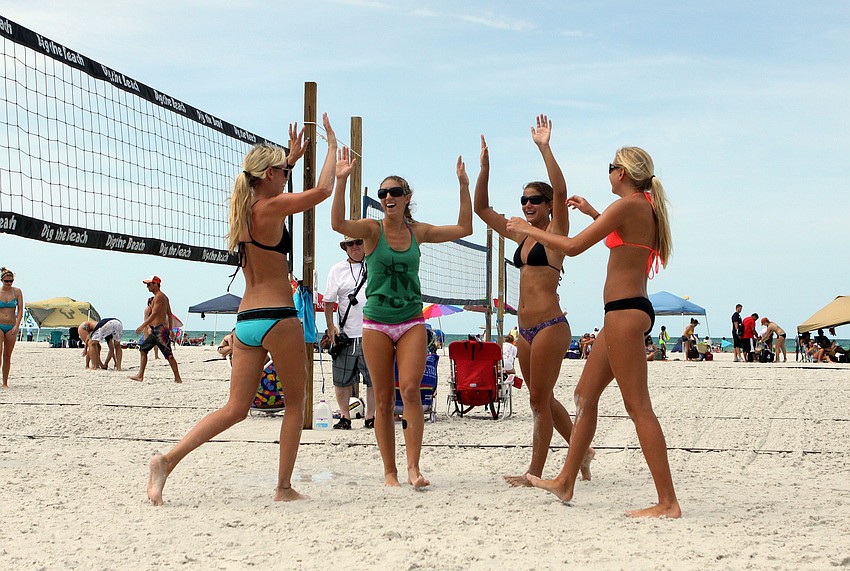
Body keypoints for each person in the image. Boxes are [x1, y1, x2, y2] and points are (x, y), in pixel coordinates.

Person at [147, 115, 337, 505]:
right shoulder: (272, 206)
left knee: (235, 409)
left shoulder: (245, 207)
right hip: (278, 316)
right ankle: (283, 488)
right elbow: (322, 191)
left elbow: (277, 187)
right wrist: (333, 147)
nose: (286, 176)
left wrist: (292, 158)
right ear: (268, 174)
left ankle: (166, 460)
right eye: (282, 172)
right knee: (296, 404)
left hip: (246, 321)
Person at [508, 145, 680, 518]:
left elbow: (572, 246)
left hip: (624, 313)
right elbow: (620, 237)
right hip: (622, 312)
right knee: (584, 396)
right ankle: (566, 480)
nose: (609, 172)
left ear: (623, 172)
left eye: (611, 166)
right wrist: (592, 213)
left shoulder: (631, 204)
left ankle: (668, 502)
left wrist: (525, 229)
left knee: (639, 409)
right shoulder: (640, 207)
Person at [331, 144, 471, 488]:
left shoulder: (417, 232)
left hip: (410, 320)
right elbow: (337, 223)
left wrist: (464, 185)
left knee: (409, 390)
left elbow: (464, 228)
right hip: (376, 321)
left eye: (395, 191)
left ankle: (413, 468)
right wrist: (340, 181)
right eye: (383, 193)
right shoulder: (371, 229)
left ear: (407, 197)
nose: (388, 196)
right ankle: (390, 472)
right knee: (381, 397)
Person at [473, 115, 593, 487]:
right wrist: (484, 170)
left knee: (540, 401)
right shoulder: (521, 237)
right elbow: (481, 209)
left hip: (551, 326)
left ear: (548, 206)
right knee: (539, 399)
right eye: (524, 200)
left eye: (535, 200)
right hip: (523, 329)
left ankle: (535, 473)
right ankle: (580, 450)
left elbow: (560, 188)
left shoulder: (556, 232)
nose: (527, 205)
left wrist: (545, 147)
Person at [324, 235, 374, 430]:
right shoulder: (337, 270)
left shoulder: (374, 266)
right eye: (350, 243)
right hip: (346, 334)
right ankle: (345, 416)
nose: (355, 247)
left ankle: (371, 416)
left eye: (359, 242)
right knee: (341, 378)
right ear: (345, 247)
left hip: (371, 332)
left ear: (365, 243)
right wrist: (330, 327)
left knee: (373, 379)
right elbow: (329, 302)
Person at [130, 276, 182, 383]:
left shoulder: (160, 297)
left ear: (156, 284)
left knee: (169, 355)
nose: (147, 287)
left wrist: (142, 326)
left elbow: (154, 315)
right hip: (156, 330)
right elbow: (169, 314)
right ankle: (140, 375)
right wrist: (171, 329)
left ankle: (178, 378)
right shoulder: (161, 297)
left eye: (149, 284)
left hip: (160, 331)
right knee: (143, 349)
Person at [0, 267, 23, 387]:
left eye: (11, 281)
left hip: (11, 326)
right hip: (0, 324)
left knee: (7, 355)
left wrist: (17, 325)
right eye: (6, 281)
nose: (9, 283)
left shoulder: (17, 292)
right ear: (2, 280)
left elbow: (20, 311)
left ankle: (5, 382)